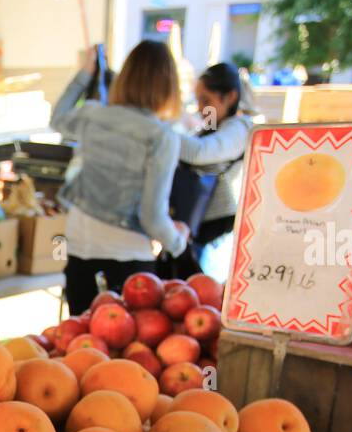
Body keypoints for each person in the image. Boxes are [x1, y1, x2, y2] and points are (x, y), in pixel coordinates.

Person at [52, 41, 190, 315]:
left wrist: (85, 74)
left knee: (82, 344)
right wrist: (178, 241)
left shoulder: (94, 115)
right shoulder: (161, 136)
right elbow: (153, 217)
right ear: (168, 86)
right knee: (124, 351)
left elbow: (57, 118)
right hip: (127, 257)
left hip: (80, 243)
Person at [176, 63, 258, 275]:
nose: (202, 109)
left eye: (207, 101)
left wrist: (158, 134)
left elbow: (199, 153)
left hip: (218, 230)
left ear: (230, 97)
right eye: (199, 101)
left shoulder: (239, 129)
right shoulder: (213, 125)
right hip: (199, 226)